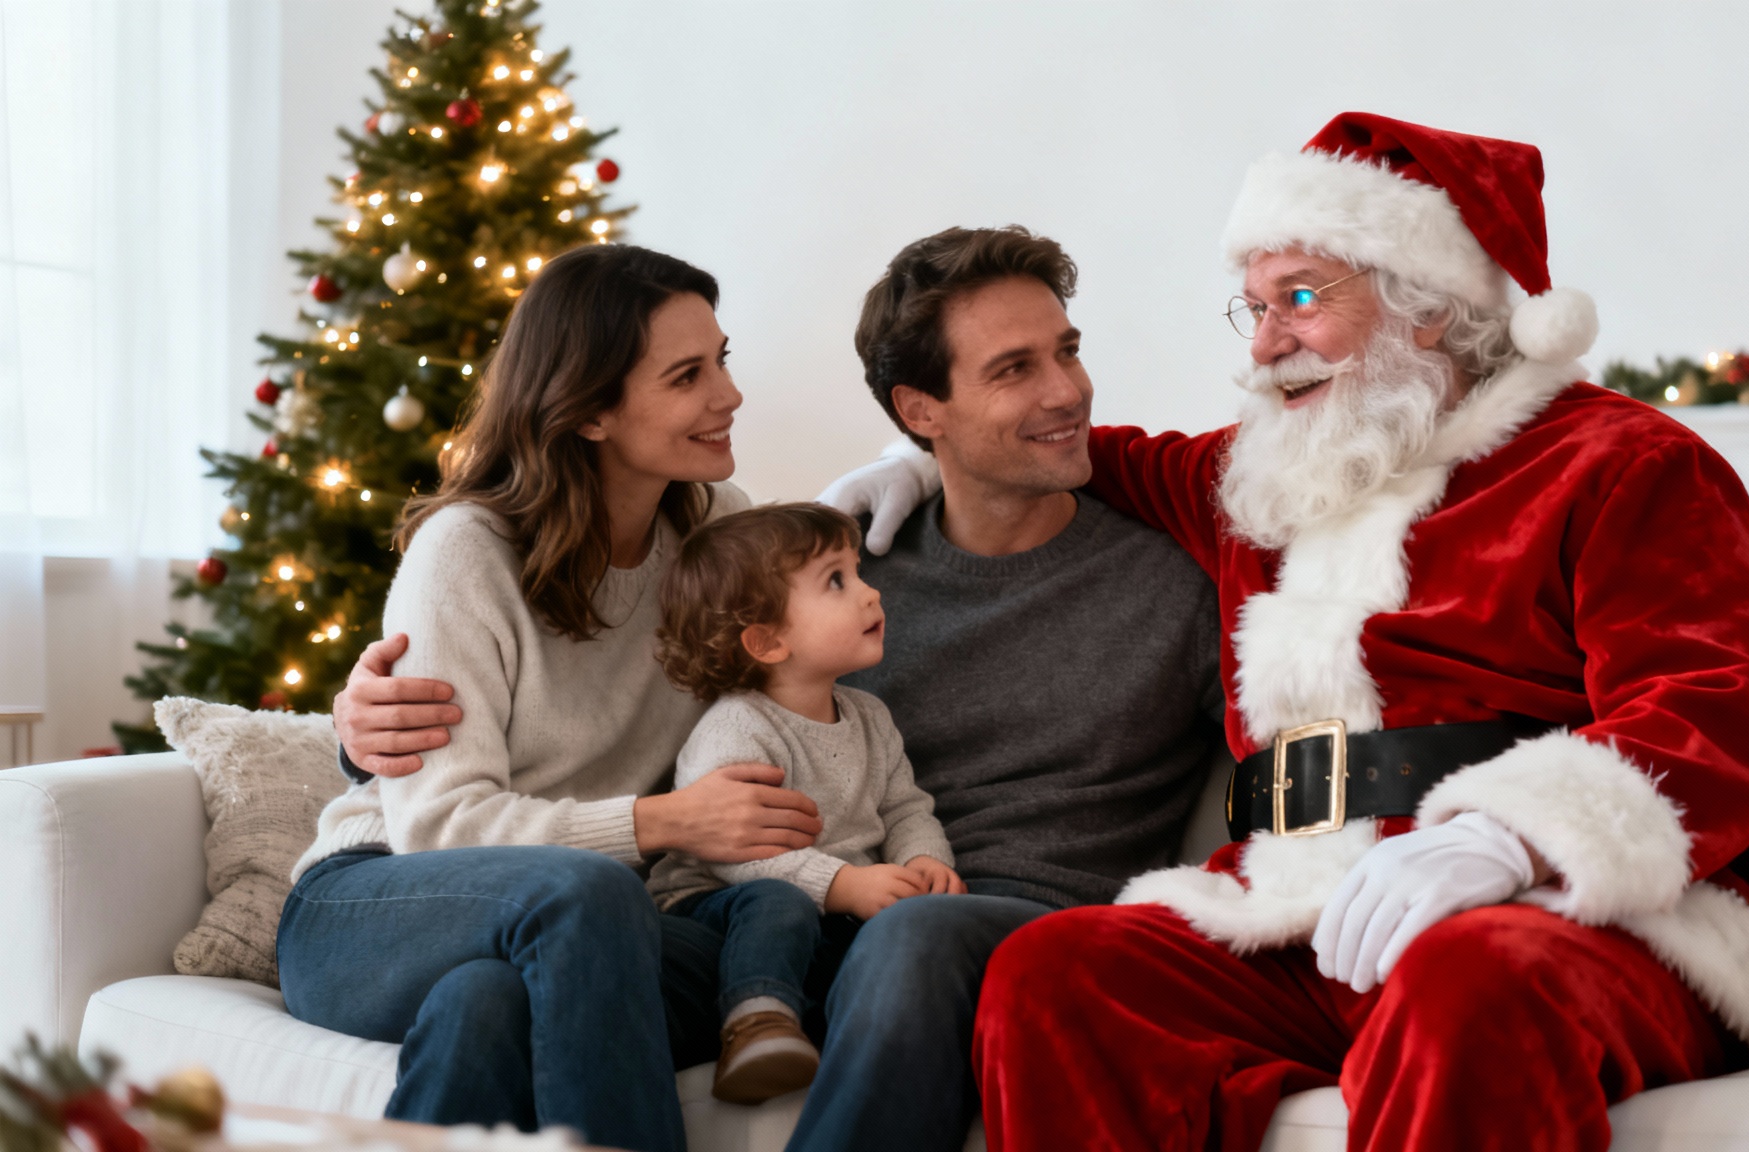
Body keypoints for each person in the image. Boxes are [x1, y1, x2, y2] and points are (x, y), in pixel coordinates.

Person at [948, 113, 1749, 1151]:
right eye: (1254, 308)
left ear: (1428, 307)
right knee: (1056, 974)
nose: (1264, 344)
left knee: (1470, 978)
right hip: (1304, 915)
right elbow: (1090, 460)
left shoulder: (1623, 463)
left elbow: (1720, 706)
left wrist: (1505, 838)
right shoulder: (1264, 474)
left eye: (1300, 299)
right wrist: (925, 464)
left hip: (1576, 921)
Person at [332, 224, 1227, 1152]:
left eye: (1068, 351)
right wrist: (358, 734)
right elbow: (691, 715)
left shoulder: (1173, 583)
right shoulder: (837, 576)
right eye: (1013, 369)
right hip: (801, 911)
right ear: (920, 410)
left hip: (989, 925)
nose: (1068, 390)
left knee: (908, 935)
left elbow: (1293, 739)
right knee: (491, 1000)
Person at [278, 243, 825, 1152]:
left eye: (721, 360)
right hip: (380, 903)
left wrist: (912, 471)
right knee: (586, 892)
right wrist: (664, 821)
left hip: (586, 928)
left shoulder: (718, 528)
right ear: (591, 409)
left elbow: (831, 594)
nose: (729, 395)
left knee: (486, 1005)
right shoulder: (467, 551)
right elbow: (438, 827)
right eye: (687, 375)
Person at [644, 502, 960, 1105]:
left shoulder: (870, 716)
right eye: (837, 581)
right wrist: (843, 884)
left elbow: (904, 808)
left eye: (857, 571)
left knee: (875, 946)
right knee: (779, 902)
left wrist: (924, 860)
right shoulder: (739, 728)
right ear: (767, 640)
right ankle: (755, 1023)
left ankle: (836, 1033)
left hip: (828, 906)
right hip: (719, 901)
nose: (870, 593)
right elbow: (735, 853)